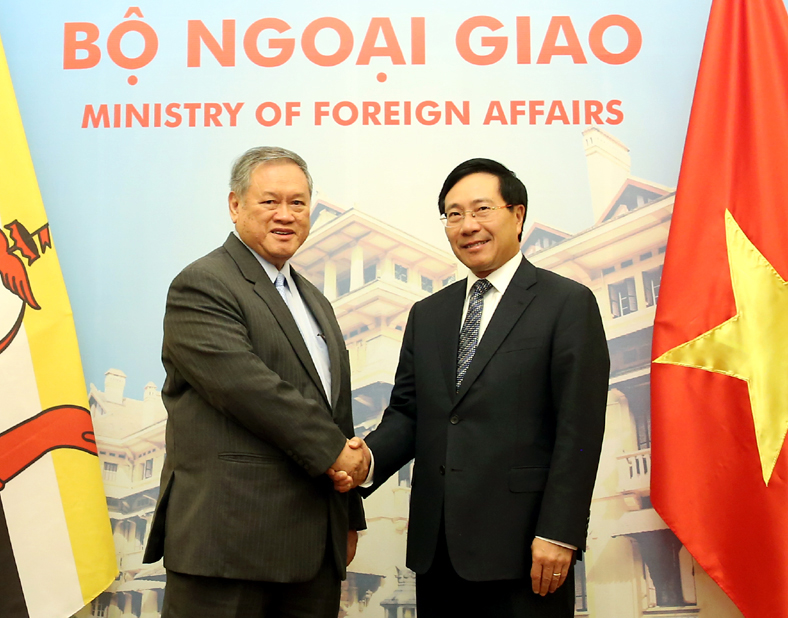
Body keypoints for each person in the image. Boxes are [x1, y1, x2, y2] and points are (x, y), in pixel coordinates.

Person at [336, 158, 609, 616]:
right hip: (437, 551)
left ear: (517, 215)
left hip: (526, 551)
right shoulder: (429, 314)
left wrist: (560, 532)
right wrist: (366, 461)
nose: (468, 226)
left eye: (482, 209)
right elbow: (409, 414)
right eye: (454, 214)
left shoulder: (567, 304)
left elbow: (578, 430)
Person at [144, 146, 370, 618]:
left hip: (312, 556)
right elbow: (247, 388)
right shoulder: (203, 284)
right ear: (235, 205)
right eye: (269, 201)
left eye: (298, 203)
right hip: (228, 548)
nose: (285, 215)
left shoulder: (315, 302)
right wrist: (337, 452)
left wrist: (348, 515)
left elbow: (335, 412)